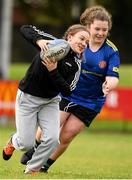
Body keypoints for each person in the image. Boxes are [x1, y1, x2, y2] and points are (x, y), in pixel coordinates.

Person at [20, 5, 120, 173]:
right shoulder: (77, 42)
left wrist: (109, 84)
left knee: (67, 135)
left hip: (91, 100)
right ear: (88, 26)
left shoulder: (111, 51)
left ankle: (45, 165)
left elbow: (113, 76)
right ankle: (34, 148)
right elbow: (57, 53)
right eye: (97, 29)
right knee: (51, 126)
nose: (101, 33)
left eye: (105, 30)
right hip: (68, 92)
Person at [2, 24, 89, 174]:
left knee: (53, 139)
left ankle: (32, 170)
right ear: (70, 37)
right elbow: (25, 28)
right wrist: (39, 41)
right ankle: (13, 141)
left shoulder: (76, 65)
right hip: (28, 97)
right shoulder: (51, 42)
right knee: (26, 143)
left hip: (50, 101)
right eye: (81, 38)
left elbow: (67, 91)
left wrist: (53, 71)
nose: (84, 43)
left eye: (87, 42)